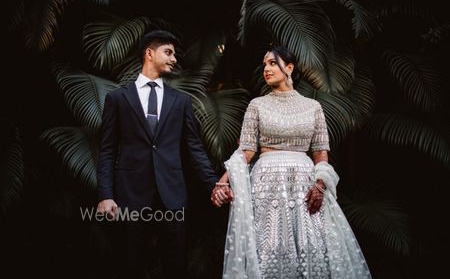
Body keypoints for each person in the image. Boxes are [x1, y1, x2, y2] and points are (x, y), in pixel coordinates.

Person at [212, 46, 372, 278]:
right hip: (267, 185)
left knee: (313, 245)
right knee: (268, 248)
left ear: (289, 67)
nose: (266, 69)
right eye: (264, 64)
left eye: (272, 63)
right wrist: (223, 182)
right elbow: (246, 151)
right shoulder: (257, 105)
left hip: (304, 186)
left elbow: (320, 154)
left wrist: (319, 185)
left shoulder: (313, 107)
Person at [96, 30, 231, 279]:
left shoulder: (180, 101)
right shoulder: (117, 98)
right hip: (130, 195)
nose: (174, 59)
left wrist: (214, 184)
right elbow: (107, 150)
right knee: (129, 264)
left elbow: (194, 148)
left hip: (172, 195)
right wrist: (105, 195)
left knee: (175, 265)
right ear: (149, 53)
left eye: (174, 54)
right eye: (168, 52)